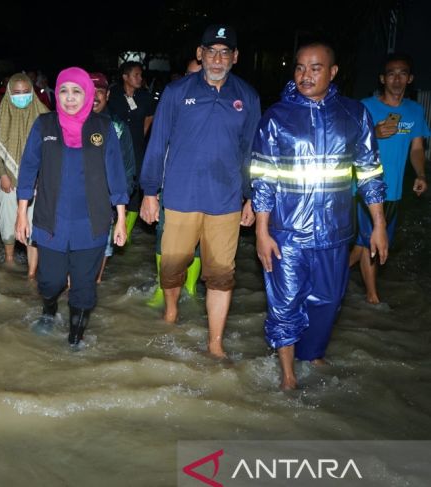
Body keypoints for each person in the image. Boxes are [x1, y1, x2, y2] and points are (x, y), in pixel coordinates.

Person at [251, 42, 388, 390]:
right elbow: (263, 179)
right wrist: (261, 232)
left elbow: (370, 173)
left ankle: (312, 355)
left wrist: (379, 225)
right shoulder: (277, 118)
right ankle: (288, 375)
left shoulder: (354, 114)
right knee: (285, 301)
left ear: (333, 71)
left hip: (335, 231)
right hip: (286, 232)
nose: (305, 75)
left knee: (328, 301)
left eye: (315, 68)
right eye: (299, 68)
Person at [139, 24, 260, 358]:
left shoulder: (247, 97)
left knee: (222, 275)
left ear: (235, 57)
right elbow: (157, 140)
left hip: (225, 201)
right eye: (211, 51)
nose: (217, 59)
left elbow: (252, 150)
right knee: (172, 267)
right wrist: (150, 191)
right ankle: (171, 313)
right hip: (180, 197)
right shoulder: (177, 92)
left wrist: (252, 196)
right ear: (200, 54)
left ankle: (215, 343)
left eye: (225, 52)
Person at [15, 67, 129, 346]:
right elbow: (29, 168)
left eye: (76, 91)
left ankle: (75, 339)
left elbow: (115, 172)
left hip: (92, 221)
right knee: (50, 281)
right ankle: (49, 309)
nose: (69, 98)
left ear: (88, 95)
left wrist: (122, 218)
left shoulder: (103, 128)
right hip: (50, 218)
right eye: (64, 90)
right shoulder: (44, 125)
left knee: (84, 286)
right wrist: (21, 214)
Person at [349, 53, 430, 304]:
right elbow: (346, 143)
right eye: (391, 74)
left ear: (410, 78)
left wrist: (420, 174)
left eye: (402, 73)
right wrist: (373, 133)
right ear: (382, 79)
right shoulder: (366, 106)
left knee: (367, 244)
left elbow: (417, 149)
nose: (397, 79)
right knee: (370, 240)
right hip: (364, 188)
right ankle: (373, 299)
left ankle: (327, 277)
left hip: (393, 191)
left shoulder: (414, 111)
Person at [146, 56, 204, 308]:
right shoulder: (172, 104)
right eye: (189, 75)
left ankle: (190, 286)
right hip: (172, 187)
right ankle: (164, 287)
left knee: (200, 240)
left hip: (207, 191)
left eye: (199, 75)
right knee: (164, 237)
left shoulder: (221, 109)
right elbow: (157, 148)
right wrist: (153, 189)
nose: (194, 81)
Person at [0, 73, 49, 277]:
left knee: (34, 227)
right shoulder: (2, 114)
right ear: (9, 94)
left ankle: (32, 274)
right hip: (9, 181)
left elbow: (53, 151)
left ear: (32, 92)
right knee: (8, 224)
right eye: (16, 93)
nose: (21, 96)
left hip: (37, 184)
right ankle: (10, 260)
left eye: (25, 92)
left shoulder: (45, 117)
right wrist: (1, 174)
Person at [89, 72, 136, 282]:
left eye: (99, 91)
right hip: (73, 203)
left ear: (107, 94)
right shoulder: (68, 125)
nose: (94, 96)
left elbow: (127, 169)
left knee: (101, 252)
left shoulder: (117, 127)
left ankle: (96, 285)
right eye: (89, 91)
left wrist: (121, 209)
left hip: (106, 203)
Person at [107, 61, 156, 243]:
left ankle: (123, 234)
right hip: (115, 147)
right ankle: (111, 227)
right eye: (136, 75)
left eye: (141, 75)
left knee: (135, 187)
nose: (140, 78)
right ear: (125, 77)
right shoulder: (113, 95)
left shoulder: (145, 97)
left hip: (137, 147)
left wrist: (140, 133)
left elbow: (150, 116)